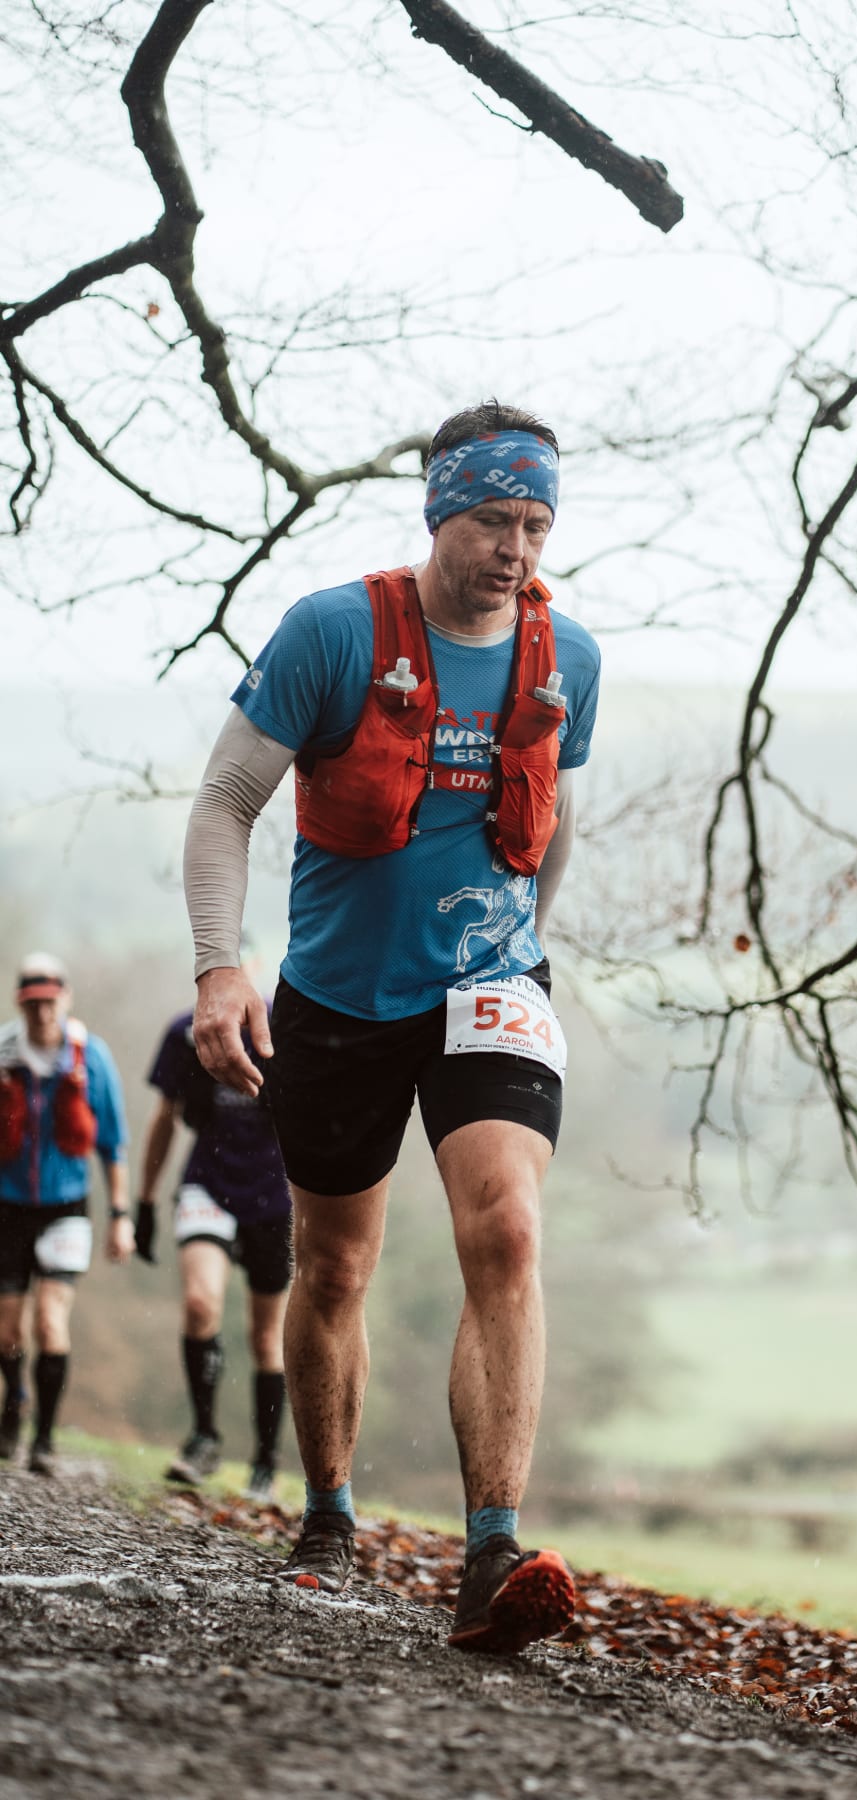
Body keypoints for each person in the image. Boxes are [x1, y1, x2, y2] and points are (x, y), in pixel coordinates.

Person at [183, 400, 600, 1654]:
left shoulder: (569, 657)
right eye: (493, 520)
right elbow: (225, 802)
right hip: (340, 999)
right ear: (439, 512)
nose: (515, 548)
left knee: (508, 1230)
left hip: (490, 986)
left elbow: (556, 822)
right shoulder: (333, 634)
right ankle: (328, 1512)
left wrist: (525, 956)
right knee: (336, 1266)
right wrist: (219, 970)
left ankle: (492, 1551)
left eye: (536, 525)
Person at [136, 959, 291, 1503]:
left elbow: (312, 1121)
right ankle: (204, 1437)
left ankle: (265, 1460)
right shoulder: (185, 1033)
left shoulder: (282, 1029)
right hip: (207, 1183)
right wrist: (145, 1199)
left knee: (266, 1337)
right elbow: (165, 1117)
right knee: (201, 1303)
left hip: (273, 1194)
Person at [0, 951, 131, 1474]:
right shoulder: (4, 1053)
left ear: (65, 999)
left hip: (67, 1206)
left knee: (50, 1322)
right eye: (33, 1003)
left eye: (50, 1002)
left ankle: (44, 1439)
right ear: (20, 1003)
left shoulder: (90, 1057)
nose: (42, 1012)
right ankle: (16, 1398)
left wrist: (120, 1214)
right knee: (7, 1331)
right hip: (8, 1206)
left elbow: (112, 1143)